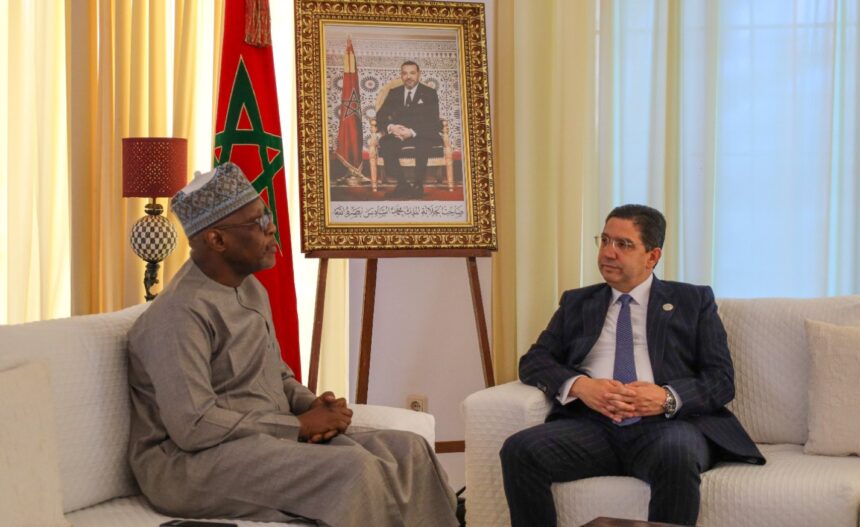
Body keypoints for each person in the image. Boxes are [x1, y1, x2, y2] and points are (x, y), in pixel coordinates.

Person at [127, 162, 458, 526]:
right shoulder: (178, 314)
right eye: (257, 222)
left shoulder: (250, 288)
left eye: (266, 215)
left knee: (409, 450)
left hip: (264, 438)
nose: (271, 228)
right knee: (354, 469)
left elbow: (275, 373)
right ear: (217, 240)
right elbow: (194, 426)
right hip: (188, 465)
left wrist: (312, 406)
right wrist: (299, 426)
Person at [499, 204, 765, 527]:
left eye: (623, 244)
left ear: (652, 256)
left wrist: (666, 397)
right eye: (605, 240)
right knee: (519, 450)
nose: (608, 252)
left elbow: (720, 379)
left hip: (666, 427)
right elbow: (534, 361)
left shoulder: (693, 301)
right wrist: (581, 387)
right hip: (591, 426)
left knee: (677, 455)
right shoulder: (577, 302)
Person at [376, 60, 442, 199]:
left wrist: (411, 132)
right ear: (401, 75)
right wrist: (392, 127)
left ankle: (418, 185)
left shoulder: (429, 93)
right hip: (399, 133)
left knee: (423, 143)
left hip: (420, 133)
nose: (408, 77)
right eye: (405, 73)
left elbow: (433, 121)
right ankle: (402, 184)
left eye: (412, 73)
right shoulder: (394, 92)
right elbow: (380, 115)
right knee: (385, 143)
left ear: (419, 74)